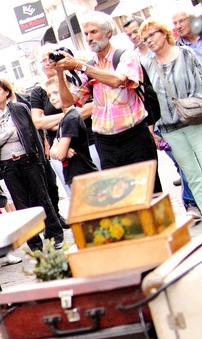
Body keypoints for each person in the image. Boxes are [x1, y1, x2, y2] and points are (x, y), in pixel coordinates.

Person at [56, 11, 162, 193]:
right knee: (119, 198)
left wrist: (81, 66)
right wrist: (59, 72)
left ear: (108, 34)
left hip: (134, 135)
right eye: (86, 33)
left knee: (149, 193)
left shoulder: (124, 56)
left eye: (93, 32)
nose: (88, 38)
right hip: (106, 142)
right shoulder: (89, 65)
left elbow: (117, 80)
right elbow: (69, 102)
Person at [0, 78, 64, 252]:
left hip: (28, 160)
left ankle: (55, 235)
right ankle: (34, 244)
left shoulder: (19, 109)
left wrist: (40, 157)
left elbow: (32, 134)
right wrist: (8, 134)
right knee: (21, 205)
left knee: (42, 197)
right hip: (8, 166)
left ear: (6, 91)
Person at [139, 18, 202, 218]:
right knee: (193, 176)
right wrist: (153, 130)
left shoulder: (186, 54)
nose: (148, 40)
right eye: (145, 38)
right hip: (169, 128)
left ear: (164, 33)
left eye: (152, 34)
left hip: (195, 119)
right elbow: (148, 99)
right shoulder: (146, 65)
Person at [47, 78, 99, 186]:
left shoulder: (71, 118)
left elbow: (60, 155)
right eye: (49, 95)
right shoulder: (65, 119)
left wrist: (60, 150)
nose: (52, 98)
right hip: (76, 176)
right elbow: (52, 151)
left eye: (56, 93)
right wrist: (59, 149)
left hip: (84, 176)